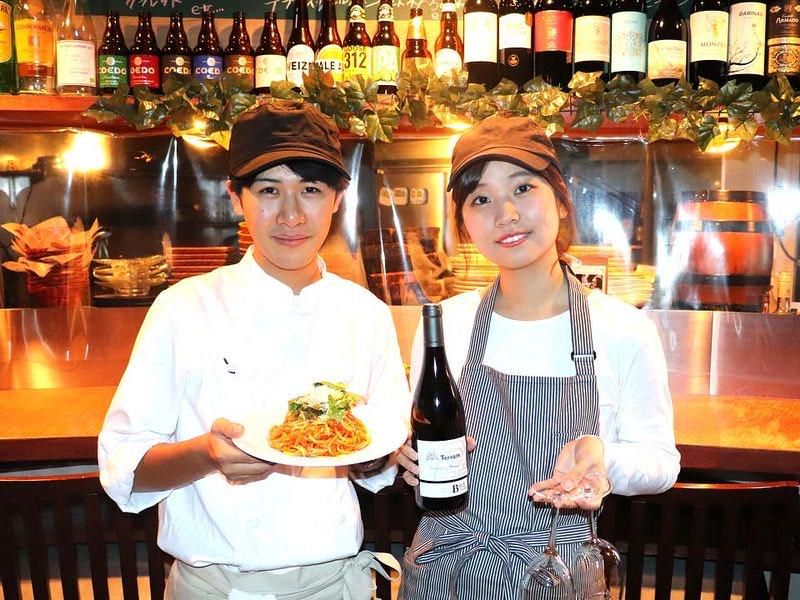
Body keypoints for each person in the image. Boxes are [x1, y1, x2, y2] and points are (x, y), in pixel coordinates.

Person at [98, 101, 409, 600]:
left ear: (338, 198)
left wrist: (385, 452)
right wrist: (206, 454)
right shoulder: (184, 307)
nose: (291, 215)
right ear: (235, 197)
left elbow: (378, 466)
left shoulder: (365, 313)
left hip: (335, 583)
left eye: (310, 190)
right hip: (213, 588)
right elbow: (124, 467)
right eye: (268, 190)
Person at [396, 116, 681, 599]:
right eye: (480, 199)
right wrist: (407, 458)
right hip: (447, 566)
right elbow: (421, 443)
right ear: (464, 224)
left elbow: (661, 464)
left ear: (561, 200)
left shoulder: (623, 330)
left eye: (523, 188)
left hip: (560, 573)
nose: (505, 214)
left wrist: (602, 457)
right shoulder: (445, 325)